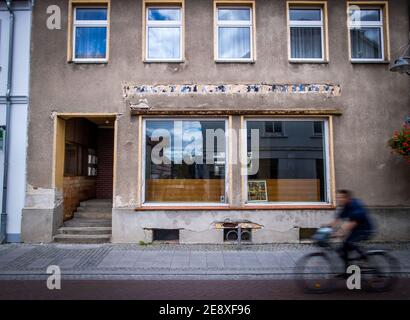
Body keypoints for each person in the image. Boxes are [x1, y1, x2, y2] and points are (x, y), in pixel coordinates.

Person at [330, 190, 375, 276]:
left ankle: (364, 257)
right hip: (356, 230)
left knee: (350, 243)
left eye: (341, 197)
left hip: (365, 230)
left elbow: (351, 224)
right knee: (342, 249)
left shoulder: (355, 206)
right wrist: (325, 228)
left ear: (347, 198)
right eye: (338, 197)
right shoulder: (345, 206)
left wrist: (337, 233)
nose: (339, 199)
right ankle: (347, 271)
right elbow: (337, 220)